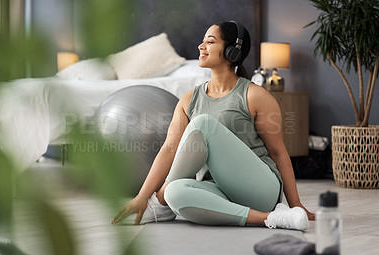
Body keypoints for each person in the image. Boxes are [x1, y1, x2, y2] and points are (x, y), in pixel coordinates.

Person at [112, 21, 315, 229]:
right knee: (175, 192)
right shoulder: (188, 100)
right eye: (202, 41)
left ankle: (159, 202)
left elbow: (278, 152)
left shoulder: (255, 95)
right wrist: (142, 196)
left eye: (210, 41)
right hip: (218, 190)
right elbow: (169, 149)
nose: (201, 46)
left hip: (260, 189)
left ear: (232, 51)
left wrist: (296, 204)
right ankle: (270, 218)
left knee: (203, 124)